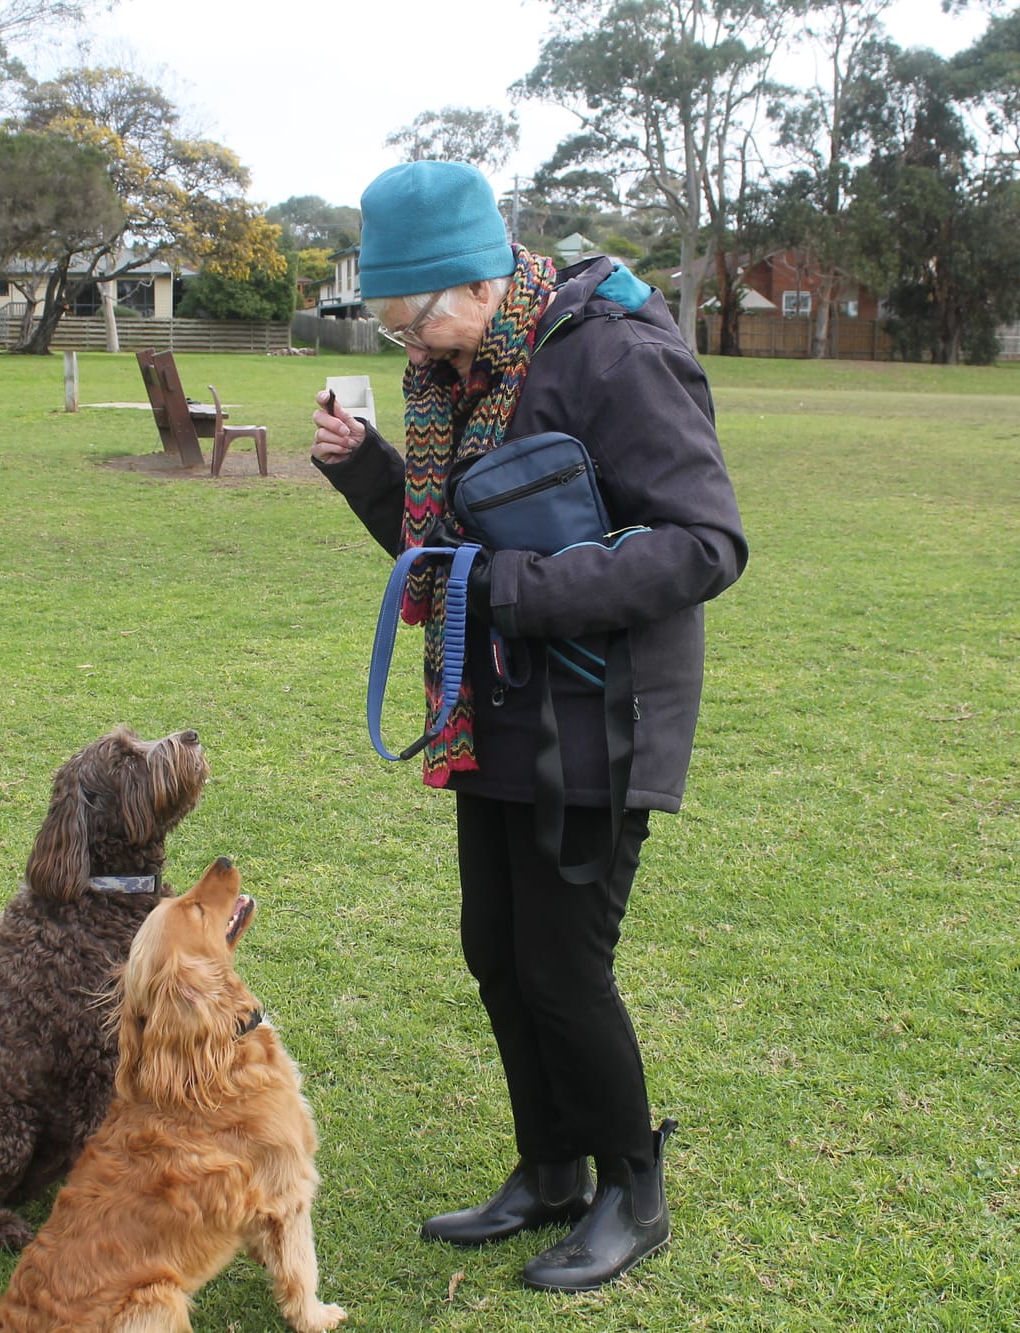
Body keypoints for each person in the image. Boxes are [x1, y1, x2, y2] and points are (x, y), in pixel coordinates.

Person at [310, 160, 746, 1293]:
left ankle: (630, 1190)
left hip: (601, 710)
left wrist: (521, 590)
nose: (410, 348)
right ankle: (549, 1168)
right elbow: (451, 550)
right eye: (394, 326)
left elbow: (704, 544)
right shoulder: (471, 367)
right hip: (492, 701)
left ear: (478, 278)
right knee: (496, 952)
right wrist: (366, 473)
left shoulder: (614, 348)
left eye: (416, 321)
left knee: (562, 966)